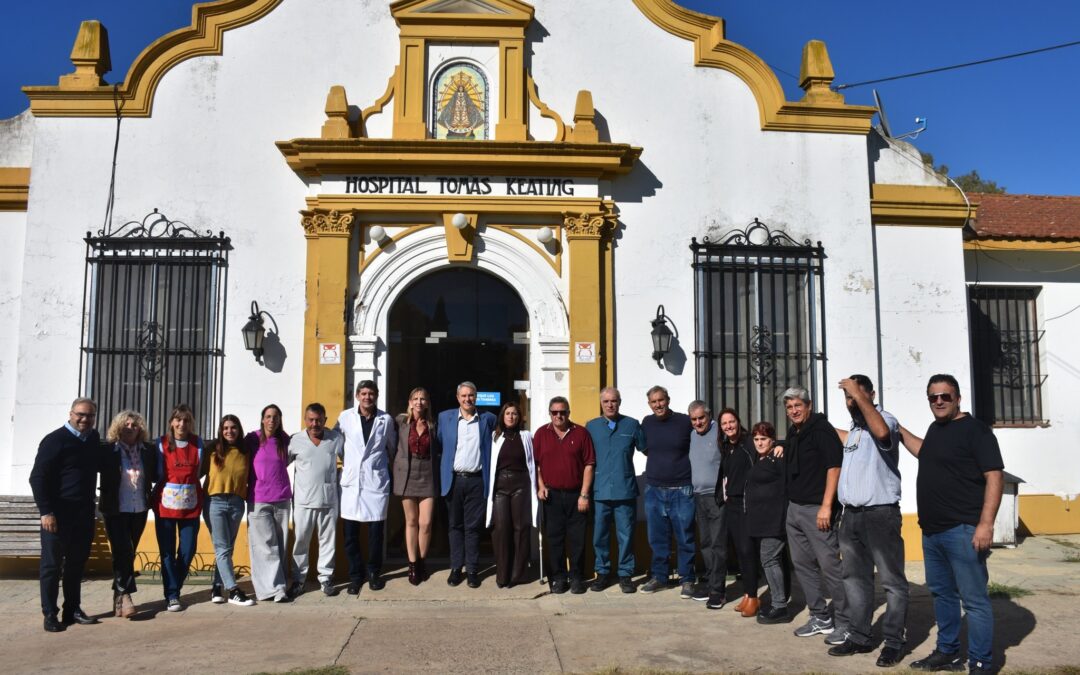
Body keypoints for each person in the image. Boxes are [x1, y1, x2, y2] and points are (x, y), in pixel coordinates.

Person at [902, 374, 1004, 674]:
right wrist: (898, 430)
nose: (939, 401)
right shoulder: (936, 429)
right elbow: (925, 452)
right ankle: (947, 652)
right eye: (933, 397)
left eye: (945, 396)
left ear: (958, 398)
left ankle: (981, 663)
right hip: (932, 532)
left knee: (974, 601)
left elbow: (994, 476)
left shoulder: (976, 431)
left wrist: (986, 524)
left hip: (963, 531)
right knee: (942, 595)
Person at [829, 376, 909, 666]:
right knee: (855, 580)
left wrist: (858, 395)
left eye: (857, 395)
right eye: (848, 397)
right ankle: (860, 637)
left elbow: (883, 434)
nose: (851, 401)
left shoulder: (885, 420)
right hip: (851, 516)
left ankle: (894, 642)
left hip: (880, 514)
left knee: (892, 582)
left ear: (871, 395)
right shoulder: (855, 431)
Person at [782, 386, 848, 644]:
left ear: (809, 405)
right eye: (789, 407)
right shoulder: (795, 432)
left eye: (798, 405)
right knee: (803, 565)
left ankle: (846, 622)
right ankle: (820, 617)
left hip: (817, 510)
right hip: (795, 509)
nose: (793, 411)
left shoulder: (821, 430)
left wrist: (826, 506)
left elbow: (834, 467)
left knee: (830, 566)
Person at [29, 397, 101, 632]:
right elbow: (37, 478)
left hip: (83, 514)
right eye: (81, 414)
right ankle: (50, 614)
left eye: (90, 415)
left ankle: (72, 609)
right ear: (71, 414)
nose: (85, 419)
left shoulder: (93, 439)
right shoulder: (54, 440)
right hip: (57, 515)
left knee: (76, 564)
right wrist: (46, 511)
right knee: (51, 566)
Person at [337, 380, 397, 594]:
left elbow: (392, 448)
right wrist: (350, 464)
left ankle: (373, 573)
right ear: (357, 396)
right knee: (350, 535)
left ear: (376, 395)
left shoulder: (385, 420)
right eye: (363, 393)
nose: (367, 397)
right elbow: (337, 445)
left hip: (375, 483)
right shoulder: (345, 417)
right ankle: (355, 576)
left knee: (375, 534)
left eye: (371, 393)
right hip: (352, 483)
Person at [585, 387, 646, 594]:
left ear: (620, 402)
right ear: (601, 403)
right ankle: (602, 573)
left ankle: (625, 574)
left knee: (626, 535)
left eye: (614, 401)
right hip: (599, 490)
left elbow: (648, 449)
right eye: (606, 401)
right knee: (599, 535)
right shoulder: (591, 427)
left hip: (625, 490)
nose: (610, 405)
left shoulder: (632, 424)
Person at [98, 409, 157, 619]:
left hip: (139, 508)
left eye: (134, 425)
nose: (130, 428)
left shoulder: (147, 451)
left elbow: (156, 475)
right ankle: (126, 596)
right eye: (126, 424)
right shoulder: (107, 450)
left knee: (128, 553)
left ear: (140, 429)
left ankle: (118, 596)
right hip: (115, 509)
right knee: (123, 550)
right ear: (118, 427)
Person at [437, 381, 497, 588]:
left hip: (477, 480)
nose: (467, 399)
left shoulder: (488, 419)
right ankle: (456, 568)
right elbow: (440, 444)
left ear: (476, 397)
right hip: (453, 480)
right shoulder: (445, 418)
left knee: (473, 528)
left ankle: (472, 569)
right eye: (463, 396)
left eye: (471, 395)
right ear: (457, 398)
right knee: (455, 526)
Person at [534, 396, 596, 594]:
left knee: (578, 540)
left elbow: (589, 465)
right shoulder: (541, 434)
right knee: (555, 539)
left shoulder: (581, 433)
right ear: (550, 413)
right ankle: (559, 578)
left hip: (576, 495)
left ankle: (577, 578)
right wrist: (540, 486)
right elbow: (536, 465)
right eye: (555, 412)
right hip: (551, 496)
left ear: (569, 413)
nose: (558, 416)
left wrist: (584, 495)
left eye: (562, 412)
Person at [639, 385, 696, 595]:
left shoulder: (684, 422)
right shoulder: (647, 423)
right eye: (654, 402)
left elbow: (703, 434)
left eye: (661, 400)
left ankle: (687, 579)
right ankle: (659, 577)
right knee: (657, 539)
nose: (658, 405)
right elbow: (646, 449)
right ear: (649, 404)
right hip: (654, 490)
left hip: (682, 489)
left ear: (668, 400)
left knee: (685, 537)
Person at [152, 404, 206, 612]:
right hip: (165, 506)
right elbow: (156, 472)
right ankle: (172, 595)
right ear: (171, 422)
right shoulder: (160, 444)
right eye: (178, 419)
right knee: (166, 552)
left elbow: (200, 472)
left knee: (188, 549)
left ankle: (174, 585)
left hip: (190, 505)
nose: (182, 424)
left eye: (186, 420)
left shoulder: (198, 444)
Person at [290, 403, 345, 597]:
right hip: (303, 501)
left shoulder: (335, 439)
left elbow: (350, 461)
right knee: (301, 542)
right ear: (305, 420)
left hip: (328, 500)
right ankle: (299, 580)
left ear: (325, 420)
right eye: (311, 420)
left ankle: (326, 579)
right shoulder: (295, 440)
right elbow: (279, 464)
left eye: (319, 420)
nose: (315, 424)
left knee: (328, 542)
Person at [202, 414, 255, 606]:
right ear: (220, 430)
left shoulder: (246, 451)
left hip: (236, 503)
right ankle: (233, 590)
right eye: (225, 428)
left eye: (233, 427)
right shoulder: (212, 450)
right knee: (222, 548)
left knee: (227, 549)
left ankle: (217, 587)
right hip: (214, 503)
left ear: (239, 430)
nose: (229, 431)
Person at [486, 402, 537, 588]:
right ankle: (502, 575)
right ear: (502, 416)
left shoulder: (526, 436)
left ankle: (519, 574)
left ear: (519, 417)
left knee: (521, 528)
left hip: (521, 484)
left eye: (514, 413)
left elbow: (534, 462)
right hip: (500, 486)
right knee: (501, 529)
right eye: (507, 413)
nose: (511, 416)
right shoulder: (495, 436)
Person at [745, 421, 792, 625]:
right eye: (756, 439)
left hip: (775, 520)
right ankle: (778, 601)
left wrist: (783, 444)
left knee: (769, 559)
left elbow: (793, 449)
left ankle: (780, 606)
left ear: (772, 440)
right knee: (772, 560)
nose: (759, 443)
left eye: (763, 439)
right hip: (762, 520)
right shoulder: (760, 457)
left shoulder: (778, 457)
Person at [246, 404, 293, 603]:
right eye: (268, 416)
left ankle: (276, 585)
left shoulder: (285, 440)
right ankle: (274, 589)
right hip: (258, 499)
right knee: (264, 547)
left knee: (280, 546)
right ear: (262, 419)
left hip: (282, 498)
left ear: (280, 420)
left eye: (275, 417)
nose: (271, 420)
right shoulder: (252, 439)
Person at [393, 387, 439, 586]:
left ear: (427, 403)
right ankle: (412, 564)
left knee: (426, 522)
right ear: (410, 402)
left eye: (423, 399)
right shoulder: (400, 422)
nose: (419, 402)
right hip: (407, 474)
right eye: (416, 398)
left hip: (428, 473)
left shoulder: (433, 424)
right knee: (411, 521)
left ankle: (422, 561)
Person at [715, 407, 759, 613]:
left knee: (747, 551)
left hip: (746, 504)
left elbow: (768, 445)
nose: (728, 426)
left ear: (738, 422)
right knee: (740, 553)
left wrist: (779, 447)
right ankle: (747, 594)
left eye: (731, 421)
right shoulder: (727, 446)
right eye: (724, 423)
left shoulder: (749, 442)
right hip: (731, 504)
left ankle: (753, 597)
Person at [687, 401, 725, 607]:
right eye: (693, 419)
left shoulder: (721, 431)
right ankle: (711, 583)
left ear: (709, 416)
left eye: (701, 418)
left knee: (718, 544)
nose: (698, 422)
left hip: (716, 498)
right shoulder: (692, 436)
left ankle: (718, 592)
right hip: (698, 497)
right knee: (706, 543)